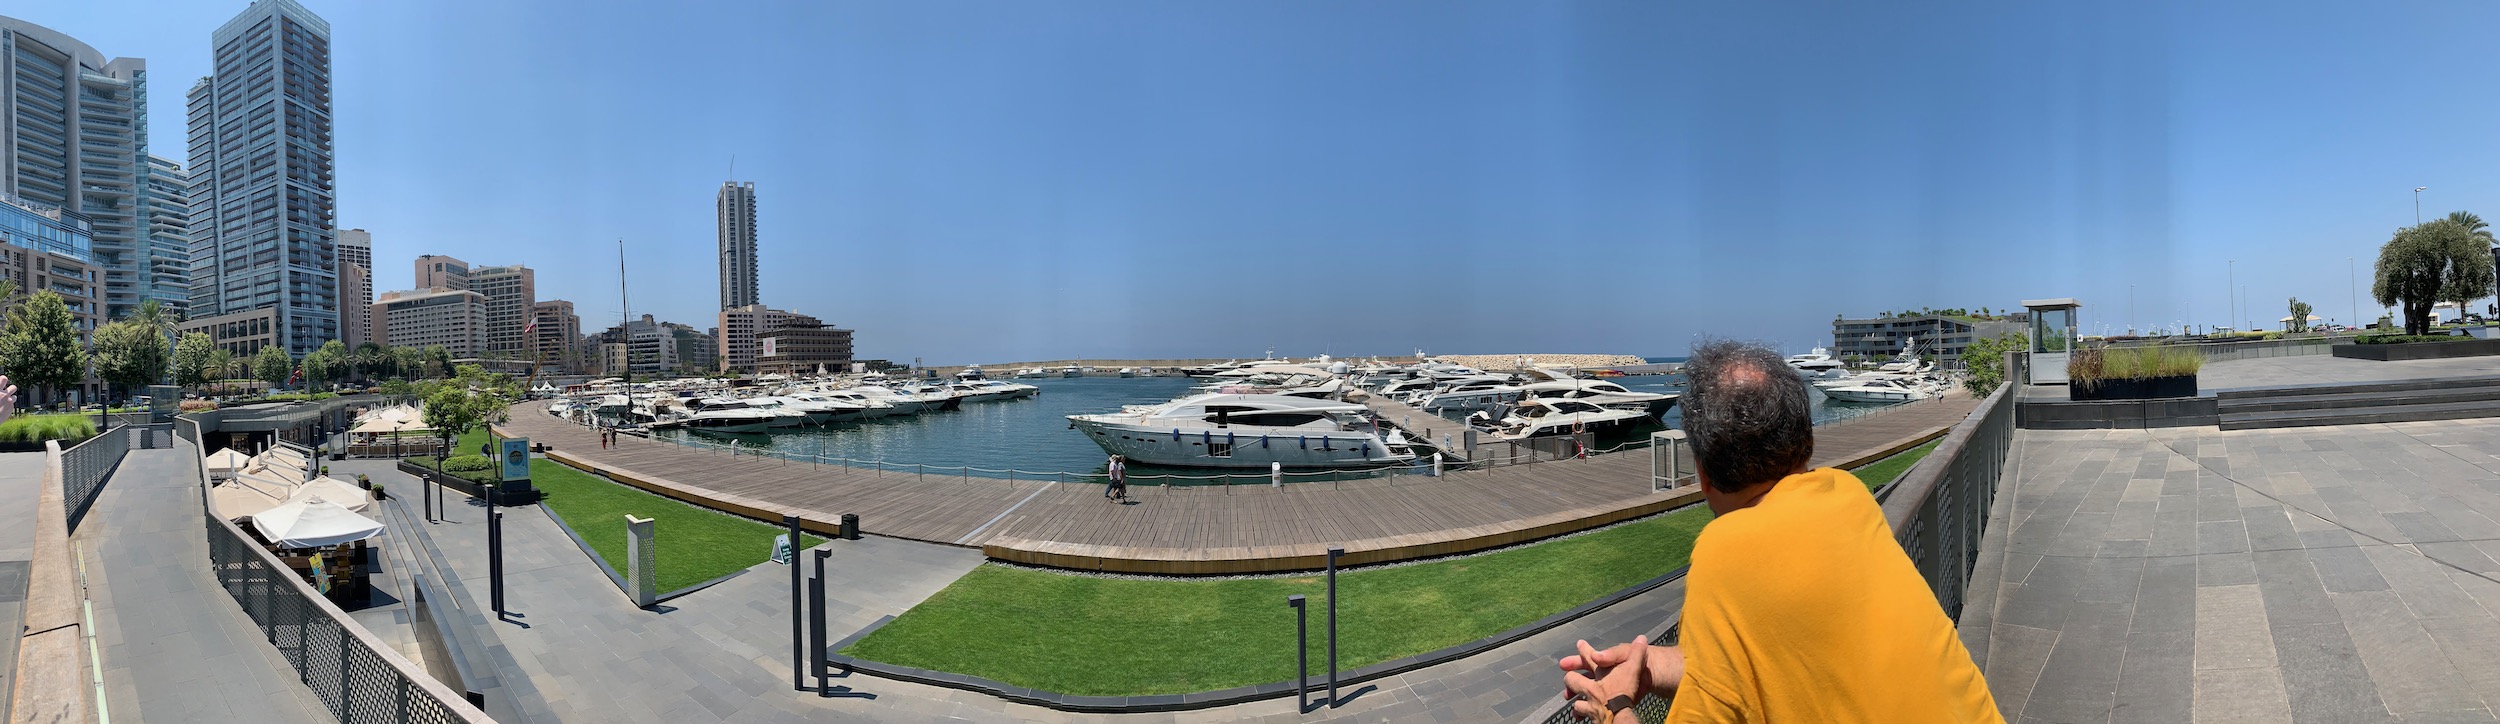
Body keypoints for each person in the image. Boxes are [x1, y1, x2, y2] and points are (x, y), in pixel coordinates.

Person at [1558, 340, 1998, 723]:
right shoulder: (1846, 494)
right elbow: (1776, 655)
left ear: (1703, 474)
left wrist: (1612, 709)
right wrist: (1653, 665)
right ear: (1805, 441)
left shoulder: (1726, 552)